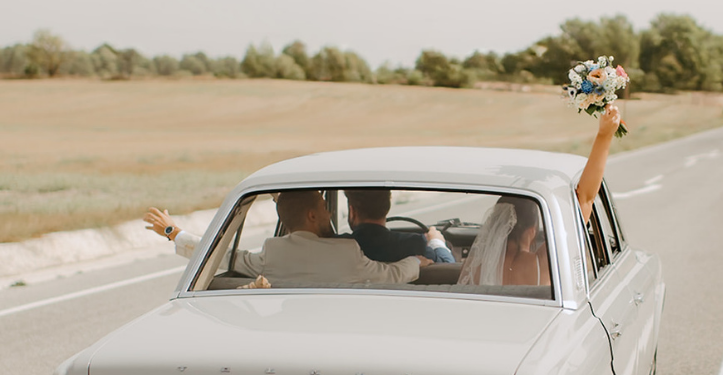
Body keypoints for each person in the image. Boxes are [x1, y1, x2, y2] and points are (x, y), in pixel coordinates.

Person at [458, 104, 621, 287]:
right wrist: (604, 135)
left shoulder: (476, 267)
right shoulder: (543, 263)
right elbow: (585, 199)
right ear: (532, 230)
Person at [145, 190, 429, 285]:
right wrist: (417, 261)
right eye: (324, 209)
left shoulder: (272, 252)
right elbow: (389, 275)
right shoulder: (346, 251)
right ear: (312, 216)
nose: (330, 215)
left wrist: (174, 233)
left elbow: (222, 254)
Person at [343, 188, 454, 264]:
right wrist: (436, 241)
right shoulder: (414, 245)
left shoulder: (340, 246)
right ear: (387, 207)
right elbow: (448, 269)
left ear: (352, 211)